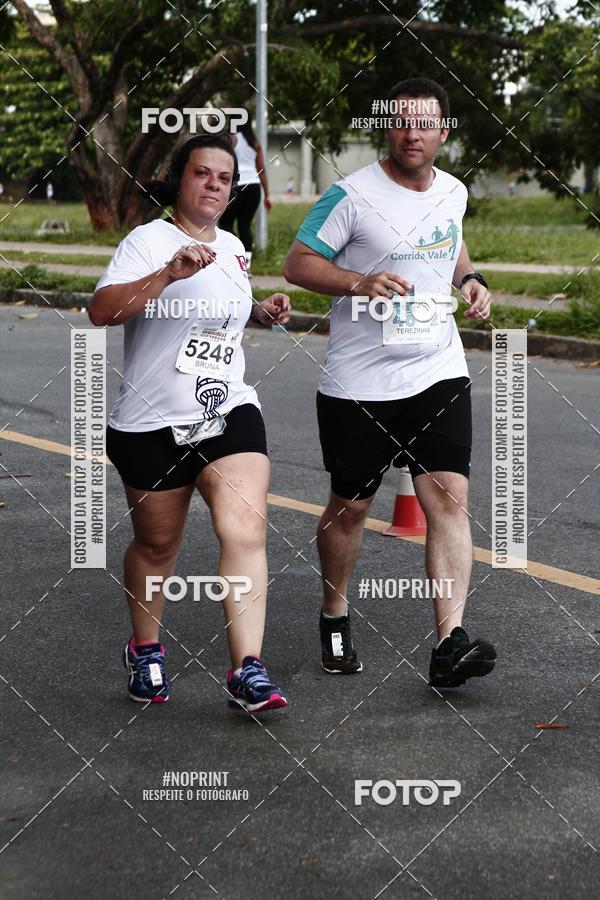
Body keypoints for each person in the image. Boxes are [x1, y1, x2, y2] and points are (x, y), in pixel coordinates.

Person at [284, 78, 497, 689]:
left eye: (425, 124)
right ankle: (334, 611)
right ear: (387, 127)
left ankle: (449, 643)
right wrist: (358, 281)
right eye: (402, 122)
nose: (413, 133)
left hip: (437, 369)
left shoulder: (454, 191)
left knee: (450, 499)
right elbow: (298, 263)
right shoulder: (350, 195)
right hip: (359, 382)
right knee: (351, 508)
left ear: (443, 132)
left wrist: (470, 278)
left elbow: (449, 244)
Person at [89, 133, 291, 712]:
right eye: (202, 174)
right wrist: (167, 275)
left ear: (233, 192)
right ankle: (146, 649)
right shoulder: (147, 241)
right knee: (157, 545)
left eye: (224, 179)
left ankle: (248, 669)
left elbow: (215, 319)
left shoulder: (233, 247)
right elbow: (101, 311)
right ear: (180, 180)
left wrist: (259, 310)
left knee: (245, 529)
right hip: (152, 420)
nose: (213, 186)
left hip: (227, 409)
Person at [219, 116, 271, 273]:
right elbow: (261, 170)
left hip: (236, 187)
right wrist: (268, 195)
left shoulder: (229, 140)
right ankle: (246, 267)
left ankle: (233, 261)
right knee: (245, 227)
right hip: (254, 188)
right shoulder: (254, 143)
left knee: (226, 224)